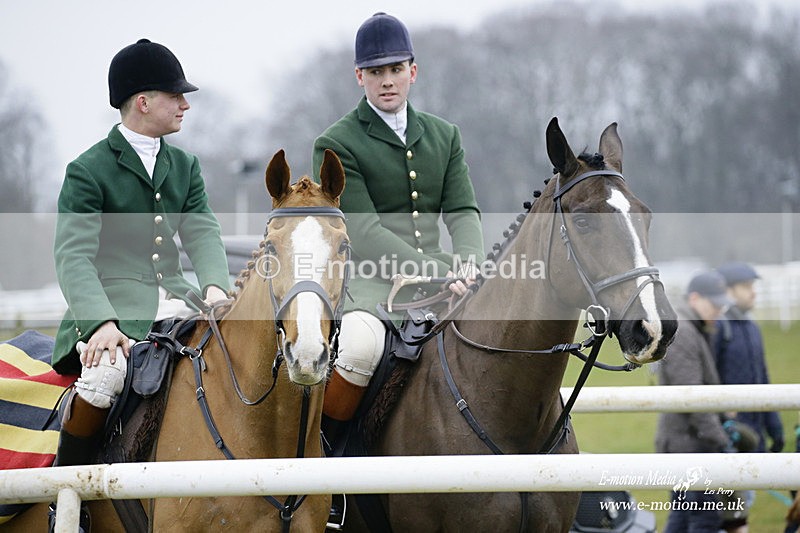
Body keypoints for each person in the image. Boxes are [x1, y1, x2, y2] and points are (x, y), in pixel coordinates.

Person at [50, 38, 230, 530]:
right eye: (175, 96)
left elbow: (203, 231)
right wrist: (100, 323)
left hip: (177, 302)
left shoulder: (185, 166)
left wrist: (215, 287)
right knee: (103, 379)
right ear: (144, 102)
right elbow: (72, 257)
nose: (185, 104)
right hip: (113, 314)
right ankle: (67, 501)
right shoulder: (88, 170)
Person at [312, 12, 484, 437]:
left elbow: (463, 210)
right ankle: (330, 453)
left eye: (395, 69)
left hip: (447, 275)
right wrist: (439, 273)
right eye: (375, 72)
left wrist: (468, 263)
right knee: (359, 348)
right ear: (359, 76)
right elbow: (365, 232)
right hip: (372, 282)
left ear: (413, 71)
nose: (387, 81)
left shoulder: (445, 135)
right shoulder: (336, 142)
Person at [655, 271, 736, 533]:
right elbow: (692, 397)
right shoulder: (685, 332)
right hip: (689, 445)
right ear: (694, 299)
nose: (719, 311)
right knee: (705, 519)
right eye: (714, 304)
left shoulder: (693, 328)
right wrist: (722, 442)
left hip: (687, 442)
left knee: (682, 518)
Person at [712, 262, 784, 532]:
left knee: (743, 508)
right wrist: (723, 425)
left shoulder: (753, 329)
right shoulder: (718, 329)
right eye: (746, 287)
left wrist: (775, 429)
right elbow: (708, 381)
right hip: (727, 439)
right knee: (728, 517)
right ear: (728, 291)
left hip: (752, 437)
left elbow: (763, 380)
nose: (753, 292)